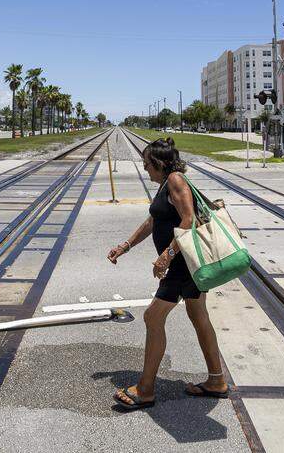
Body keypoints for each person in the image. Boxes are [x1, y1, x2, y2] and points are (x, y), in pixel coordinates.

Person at [106, 137, 228, 410]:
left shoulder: (175, 180)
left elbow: (189, 220)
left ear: (159, 163)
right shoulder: (166, 184)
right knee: (199, 316)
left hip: (182, 264)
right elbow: (153, 220)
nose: (145, 168)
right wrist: (125, 246)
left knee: (152, 317)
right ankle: (217, 381)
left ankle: (146, 389)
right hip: (182, 262)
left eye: (147, 164)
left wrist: (166, 256)